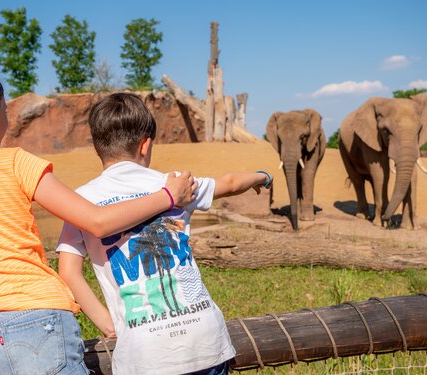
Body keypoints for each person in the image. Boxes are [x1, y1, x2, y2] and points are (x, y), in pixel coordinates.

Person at [0, 60, 197, 375]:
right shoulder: (15, 162)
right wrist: (168, 197)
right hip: (35, 321)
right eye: (4, 108)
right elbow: (96, 221)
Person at [56, 93, 273, 375]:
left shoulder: (81, 201)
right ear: (145, 145)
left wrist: (108, 324)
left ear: (97, 147)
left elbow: (68, 272)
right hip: (205, 341)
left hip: (144, 353)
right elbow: (231, 183)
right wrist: (262, 176)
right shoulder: (174, 184)